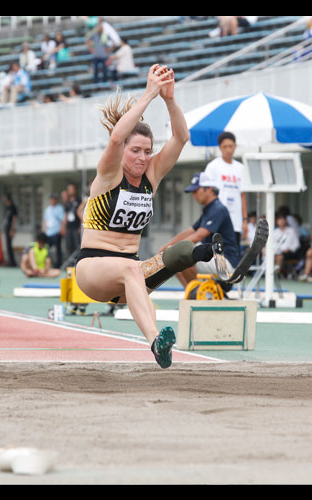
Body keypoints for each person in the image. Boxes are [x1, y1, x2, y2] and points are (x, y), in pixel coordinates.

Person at [74, 64, 189, 369]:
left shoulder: (151, 175)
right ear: (123, 150)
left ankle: (159, 339)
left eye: (147, 151)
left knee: (169, 258)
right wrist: (149, 94)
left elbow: (181, 138)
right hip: (92, 270)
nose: (142, 157)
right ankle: (155, 342)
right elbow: (114, 140)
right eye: (135, 150)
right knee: (130, 268)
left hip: (129, 277)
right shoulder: (109, 175)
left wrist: (169, 99)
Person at [161, 171, 239, 287]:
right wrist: (165, 248)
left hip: (224, 261)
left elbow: (199, 235)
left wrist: (174, 249)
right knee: (176, 256)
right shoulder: (209, 209)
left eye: (196, 191)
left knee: (181, 258)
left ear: (208, 189)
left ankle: (195, 295)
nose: (194, 195)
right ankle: (192, 293)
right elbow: (188, 232)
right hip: (214, 257)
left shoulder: (218, 209)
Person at [204, 131, 248, 255]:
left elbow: (242, 195)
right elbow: (207, 194)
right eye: (225, 146)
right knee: (217, 255)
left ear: (235, 146)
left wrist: (245, 220)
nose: (228, 150)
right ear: (220, 147)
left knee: (233, 256)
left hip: (236, 221)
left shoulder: (241, 168)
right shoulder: (212, 167)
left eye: (231, 146)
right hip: (218, 220)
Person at [270, 212, 300, 276]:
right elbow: (272, 244)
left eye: (283, 219)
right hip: (277, 251)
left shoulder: (291, 231)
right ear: (277, 221)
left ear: (286, 221)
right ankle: (271, 273)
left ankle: (277, 273)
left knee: (280, 257)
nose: (281, 221)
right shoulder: (275, 232)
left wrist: (289, 249)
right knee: (272, 256)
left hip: (289, 252)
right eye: (280, 220)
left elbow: (296, 244)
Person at [43, 193, 65, 268]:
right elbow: (45, 220)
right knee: (47, 249)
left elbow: (63, 220)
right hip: (48, 233)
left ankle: (59, 264)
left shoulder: (60, 208)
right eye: (52, 199)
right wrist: (44, 231)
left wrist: (61, 229)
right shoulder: (47, 209)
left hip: (56, 232)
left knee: (58, 249)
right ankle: (47, 263)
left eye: (54, 199)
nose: (53, 200)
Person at [63, 183, 82, 260]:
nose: (71, 191)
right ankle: (69, 263)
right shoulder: (67, 202)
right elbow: (66, 215)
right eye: (69, 190)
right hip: (69, 227)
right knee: (68, 246)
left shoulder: (79, 200)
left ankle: (76, 262)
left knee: (76, 245)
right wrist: (63, 226)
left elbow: (81, 213)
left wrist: (81, 227)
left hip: (76, 227)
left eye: (72, 189)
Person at [2, 194, 18, 267]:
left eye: (5, 199)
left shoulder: (13, 207)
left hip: (10, 228)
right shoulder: (7, 207)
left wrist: (12, 229)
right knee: (8, 245)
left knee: (9, 245)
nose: (4, 200)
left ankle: (12, 262)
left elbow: (14, 219)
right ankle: (10, 261)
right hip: (7, 227)